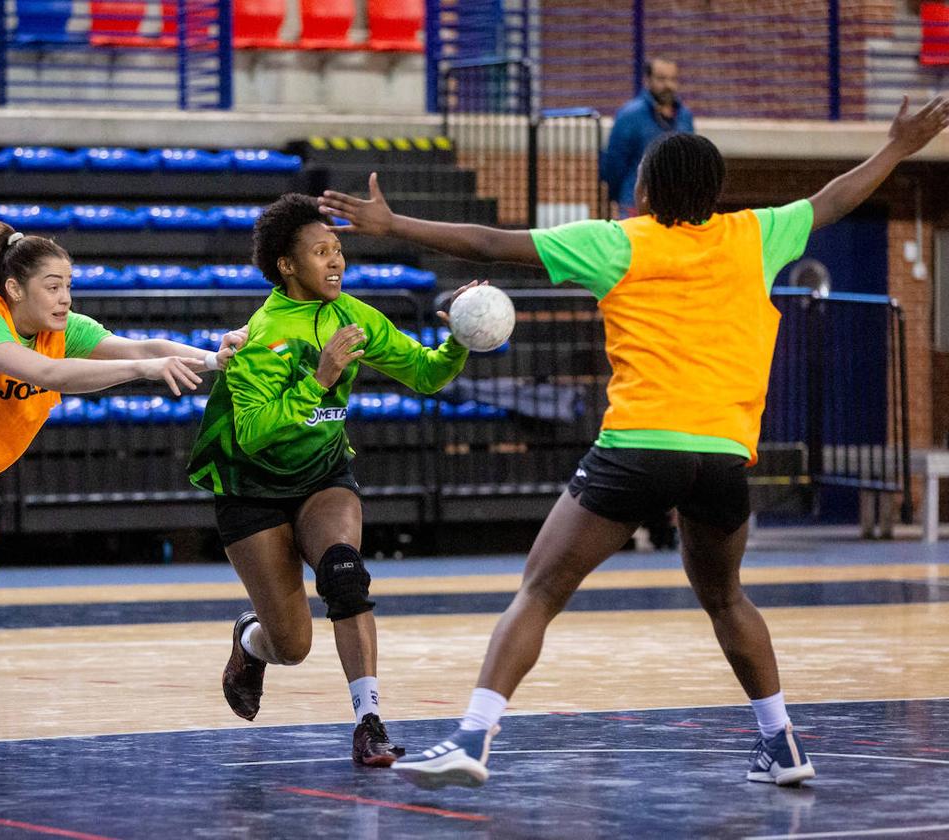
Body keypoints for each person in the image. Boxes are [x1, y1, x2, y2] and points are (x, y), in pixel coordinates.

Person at [319, 94, 949, 787]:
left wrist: (390, 222)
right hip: (722, 460)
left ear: (643, 189)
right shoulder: (756, 234)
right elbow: (834, 197)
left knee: (540, 589)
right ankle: (783, 745)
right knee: (727, 597)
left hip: (638, 449)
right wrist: (897, 147)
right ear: (716, 193)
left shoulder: (618, 240)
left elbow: (490, 244)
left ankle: (472, 736)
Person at [0, 222, 245, 756]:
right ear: (15, 288)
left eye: (69, 286)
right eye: (53, 286)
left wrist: (211, 359)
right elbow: (48, 373)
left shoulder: (64, 328)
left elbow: (141, 343)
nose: (65, 298)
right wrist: (145, 371)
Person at [186, 193, 478, 766]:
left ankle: (368, 722)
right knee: (291, 646)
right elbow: (252, 433)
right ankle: (251, 642)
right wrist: (320, 379)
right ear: (287, 266)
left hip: (322, 477)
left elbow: (423, 374)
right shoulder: (262, 336)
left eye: (339, 249)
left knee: (344, 572)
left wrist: (458, 343)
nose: (336, 261)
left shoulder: (354, 314)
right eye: (321, 252)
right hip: (252, 491)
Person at [601, 58, 694, 219]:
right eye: (661, 79)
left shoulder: (685, 116)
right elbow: (615, 164)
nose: (668, 85)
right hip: (634, 206)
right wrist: (618, 197)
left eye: (672, 79)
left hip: (676, 207)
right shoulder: (630, 115)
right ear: (648, 80)